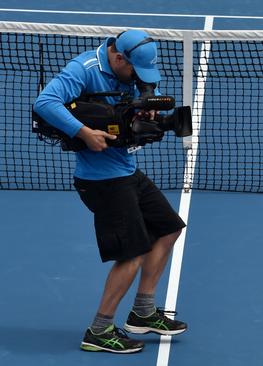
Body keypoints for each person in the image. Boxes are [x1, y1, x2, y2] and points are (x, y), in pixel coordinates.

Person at [33, 29, 188, 354]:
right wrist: (84, 132)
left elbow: (150, 90)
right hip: (102, 181)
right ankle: (99, 331)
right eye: (134, 70)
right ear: (119, 58)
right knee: (131, 254)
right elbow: (44, 102)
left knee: (169, 229)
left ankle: (142, 312)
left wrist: (150, 109)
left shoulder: (133, 68)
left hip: (126, 171)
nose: (137, 77)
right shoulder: (84, 69)